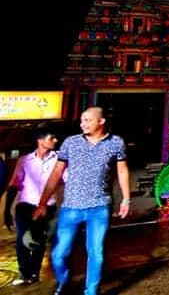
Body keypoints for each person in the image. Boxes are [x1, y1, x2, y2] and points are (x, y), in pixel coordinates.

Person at [34, 107, 130, 295]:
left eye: (87, 120)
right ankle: (64, 280)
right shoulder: (71, 143)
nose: (82, 124)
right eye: (81, 120)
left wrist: (126, 199)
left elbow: (122, 170)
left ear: (100, 121)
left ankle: (91, 290)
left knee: (96, 253)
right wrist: (43, 201)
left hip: (99, 206)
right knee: (59, 254)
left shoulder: (116, 143)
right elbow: (56, 173)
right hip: (71, 207)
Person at [8, 127, 60, 286]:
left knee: (38, 241)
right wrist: (6, 210)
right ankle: (24, 273)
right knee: (21, 240)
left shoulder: (59, 160)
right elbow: (15, 184)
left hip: (46, 208)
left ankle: (34, 274)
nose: (55, 141)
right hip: (25, 207)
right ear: (40, 140)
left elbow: (67, 180)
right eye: (52, 137)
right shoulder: (24, 160)